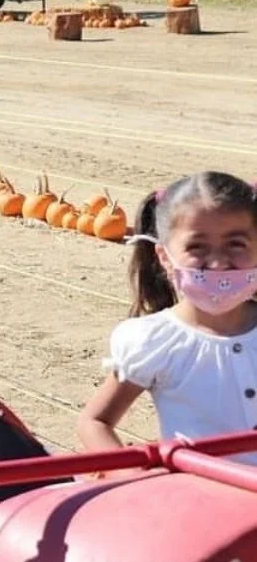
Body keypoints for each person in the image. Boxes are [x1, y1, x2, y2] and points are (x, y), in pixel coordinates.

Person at [77, 172, 257, 470]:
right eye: (197, 247)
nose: (217, 263)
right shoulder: (155, 342)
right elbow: (94, 421)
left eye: (236, 244)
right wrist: (132, 479)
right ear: (163, 255)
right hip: (201, 505)